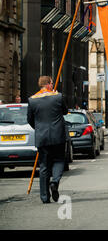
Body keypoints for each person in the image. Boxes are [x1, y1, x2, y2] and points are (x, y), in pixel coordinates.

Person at [27, 76, 68, 204]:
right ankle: (54, 182)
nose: (53, 85)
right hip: (58, 136)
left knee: (44, 166)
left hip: (42, 137)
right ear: (48, 84)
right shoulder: (58, 97)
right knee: (59, 160)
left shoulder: (32, 100)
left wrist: (39, 129)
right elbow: (65, 112)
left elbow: (30, 119)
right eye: (52, 83)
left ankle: (45, 197)